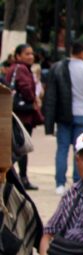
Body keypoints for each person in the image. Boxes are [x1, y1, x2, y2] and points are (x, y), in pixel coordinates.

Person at [43, 40, 83, 196]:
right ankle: (77, 182)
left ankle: (60, 184)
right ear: (82, 52)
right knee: (80, 151)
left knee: (62, 149)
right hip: (82, 114)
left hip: (64, 115)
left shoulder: (59, 67)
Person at [8, 44, 44, 190]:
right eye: (26, 54)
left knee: (18, 147)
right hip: (23, 115)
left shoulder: (14, 69)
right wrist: (33, 99)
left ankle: (20, 176)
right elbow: (26, 88)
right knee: (22, 147)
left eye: (31, 53)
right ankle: (21, 178)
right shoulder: (22, 69)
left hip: (17, 113)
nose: (30, 56)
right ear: (18, 56)